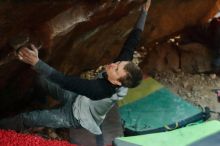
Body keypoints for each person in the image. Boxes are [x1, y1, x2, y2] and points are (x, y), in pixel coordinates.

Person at [0, 0, 151, 140]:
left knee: (28, 118)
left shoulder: (100, 90)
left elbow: (65, 81)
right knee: (40, 80)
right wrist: (144, 12)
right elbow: (132, 42)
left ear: (118, 82)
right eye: (118, 63)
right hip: (79, 99)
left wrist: (36, 62)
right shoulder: (123, 68)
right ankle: (40, 101)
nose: (113, 64)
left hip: (76, 116)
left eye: (116, 69)